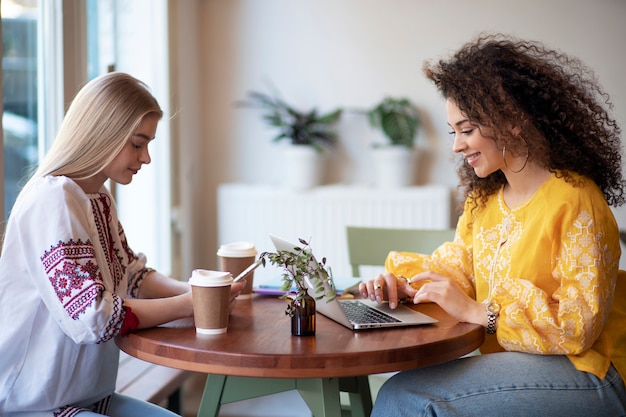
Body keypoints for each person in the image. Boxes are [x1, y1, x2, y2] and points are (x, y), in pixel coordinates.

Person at [360, 33, 626, 416]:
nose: (456, 146)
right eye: (454, 132)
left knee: (408, 398)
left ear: (513, 120)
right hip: (519, 363)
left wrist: (481, 313)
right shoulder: (484, 201)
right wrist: (405, 287)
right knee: (402, 391)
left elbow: (579, 325)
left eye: (466, 130)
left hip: (588, 371)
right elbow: (459, 269)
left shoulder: (575, 200)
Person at [0, 72, 245, 417]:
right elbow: (94, 318)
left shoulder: (97, 198)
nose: (146, 158)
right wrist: (189, 304)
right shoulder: (52, 200)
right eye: (137, 143)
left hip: (84, 396)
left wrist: (201, 291)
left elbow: (133, 277)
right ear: (103, 133)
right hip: (34, 403)